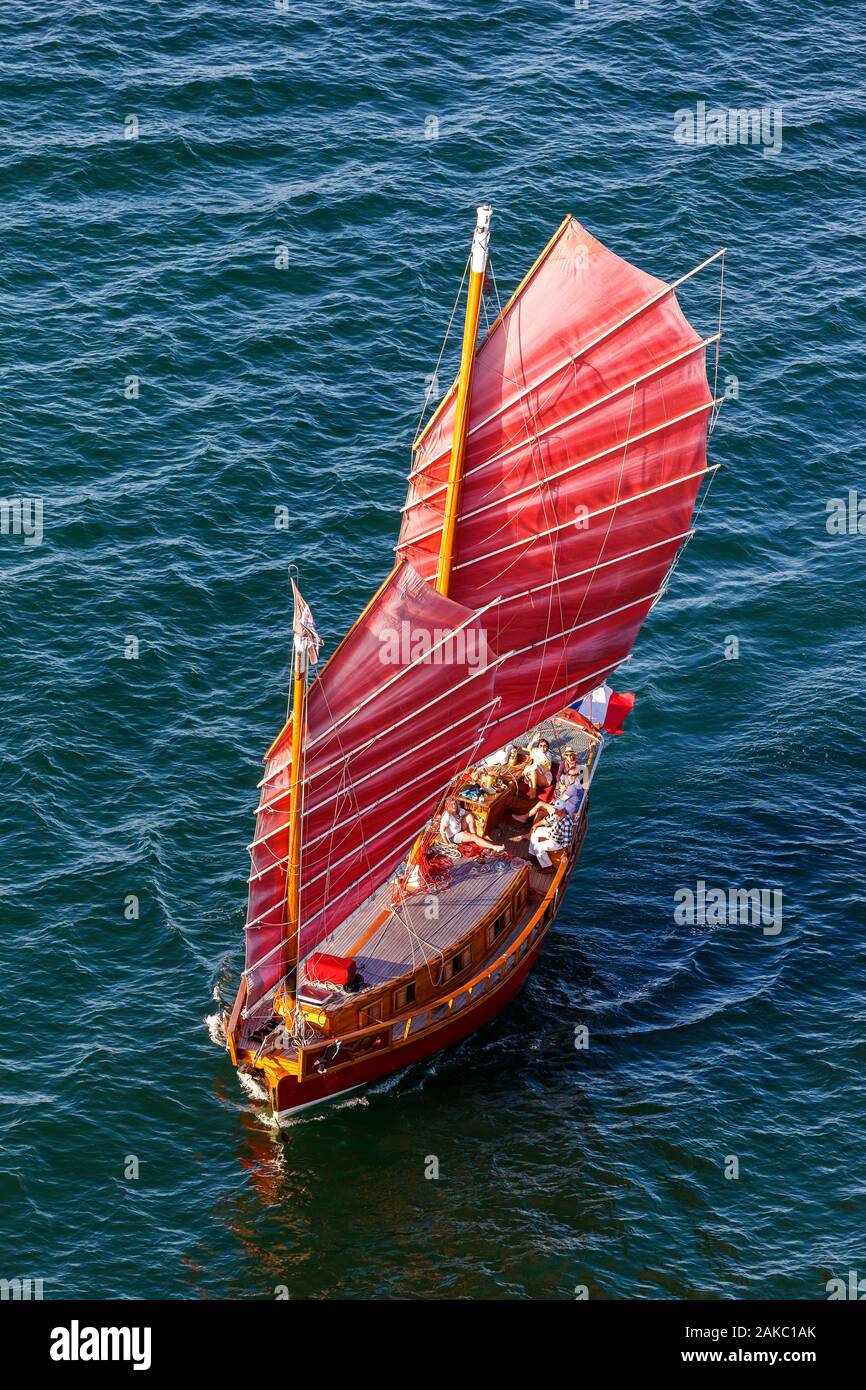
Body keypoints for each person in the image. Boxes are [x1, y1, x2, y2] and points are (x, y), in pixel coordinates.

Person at [514, 747, 586, 822]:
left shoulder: (578, 771)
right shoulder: (563, 764)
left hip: (565, 812)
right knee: (539, 813)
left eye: (571, 754)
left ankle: (524, 818)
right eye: (567, 755)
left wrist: (562, 793)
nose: (569, 756)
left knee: (540, 804)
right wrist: (561, 784)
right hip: (565, 796)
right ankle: (531, 830)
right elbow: (559, 776)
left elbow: (563, 799)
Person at [439, 797, 506, 853]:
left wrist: (479, 818)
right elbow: (442, 832)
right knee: (473, 836)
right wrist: (448, 844)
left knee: (469, 816)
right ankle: (494, 847)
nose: (454, 806)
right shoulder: (446, 815)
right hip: (454, 836)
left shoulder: (458, 810)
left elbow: (469, 813)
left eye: (454, 804)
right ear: (448, 805)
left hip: (459, 829)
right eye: (451, 804)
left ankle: (475, 837)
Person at [529, 804, 574, 869]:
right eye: (555, 809)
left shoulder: (566, 823)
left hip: (557, 841)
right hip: (552, 832)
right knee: (535, 831)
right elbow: (546, 820)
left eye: (557, 809)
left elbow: (566, 841)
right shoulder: (557, 814)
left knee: (538, 847)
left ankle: (548, 866)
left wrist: (565, 854)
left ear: (563, 810)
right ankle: (533, 854)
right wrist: (535, 825)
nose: (555, 811)